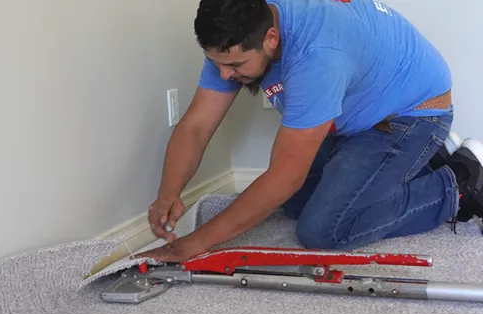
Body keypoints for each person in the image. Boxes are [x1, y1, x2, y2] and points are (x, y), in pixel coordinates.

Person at [140, 0, 483, 262]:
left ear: (271, 39)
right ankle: (422, 162)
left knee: (323, 229)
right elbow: (197, 126)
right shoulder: (240, 30)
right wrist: (169, 192)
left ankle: (460, 181)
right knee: (295, 203)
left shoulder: (317, 57)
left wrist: (196, 243)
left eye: (234, 66)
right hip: (357, 108)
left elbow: (284, 176)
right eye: (217, 64)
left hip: (411, 112)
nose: (225, 75)